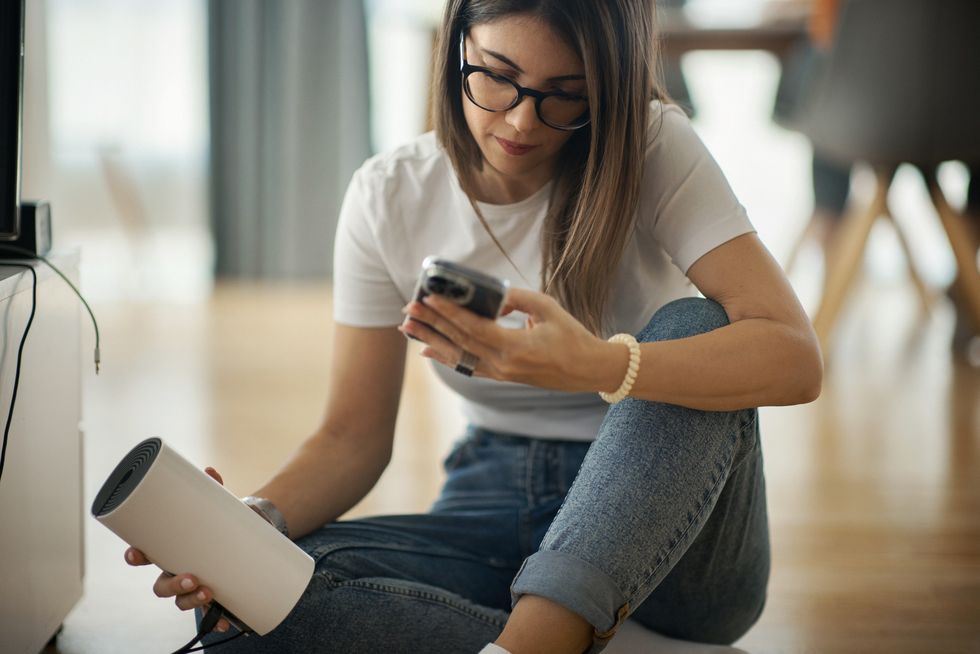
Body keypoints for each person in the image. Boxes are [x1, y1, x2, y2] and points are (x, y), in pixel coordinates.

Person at [125, 1, 823, 652]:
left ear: (607, 89)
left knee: (695, 323)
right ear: (456, 46)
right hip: (493, 504)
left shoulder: (651, 143)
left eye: (566, 94)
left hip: (676, 534)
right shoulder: (390, 193)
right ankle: (572, 631)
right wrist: (253, 524)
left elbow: (795, 355)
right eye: (496, 76)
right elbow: (350, 439)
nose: (521, 122)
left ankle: (538, 639)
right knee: (246, 595)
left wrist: (597, 366)